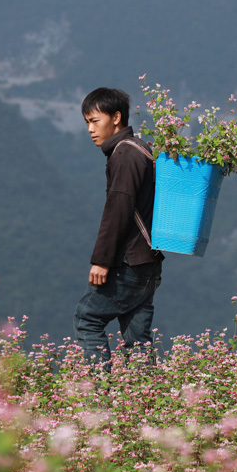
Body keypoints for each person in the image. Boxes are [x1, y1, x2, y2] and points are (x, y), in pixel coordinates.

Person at [73, 87, 163, 369]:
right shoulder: (142, 149)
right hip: (149, 260)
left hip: (128, 262)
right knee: (138, 340)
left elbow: (118, 211)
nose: (90, 128)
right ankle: (146, 400)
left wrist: (101, 261)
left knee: (87, 319)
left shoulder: (124, 155)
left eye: (94, 120)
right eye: (86, 122)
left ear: (116, 117)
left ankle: (99, 395)